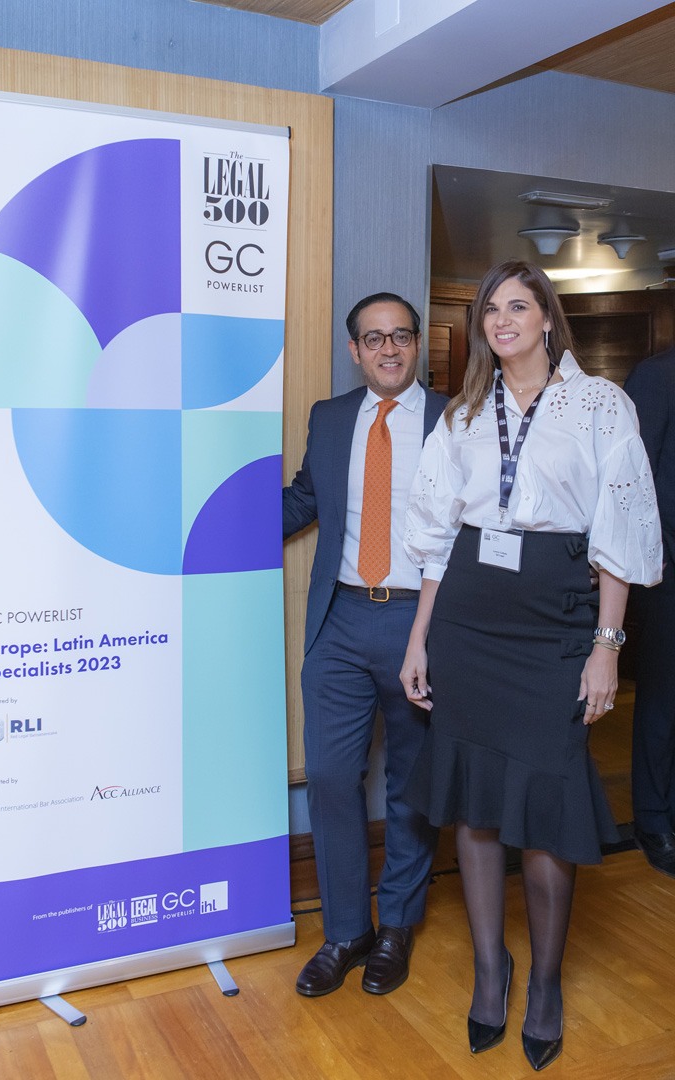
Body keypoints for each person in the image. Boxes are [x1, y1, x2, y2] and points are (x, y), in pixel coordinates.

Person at [399, 261, 661, 1071]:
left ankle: (545, 984)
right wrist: (419, 639)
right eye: (491, 309)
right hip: (468, 620)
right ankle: (492, 969)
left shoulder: (599, 404)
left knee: (547, 801)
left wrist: (607, 647)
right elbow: (436, 539)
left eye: (520, 306)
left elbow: (619, 534)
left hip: (555, 623)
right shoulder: (462, 412)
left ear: (548, 317)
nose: (503, 319)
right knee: (476, 805)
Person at [283, 292, 448, 997]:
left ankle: (397, 926)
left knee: (410, 783)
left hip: (421, 624)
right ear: (355, 350)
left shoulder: (454, 419)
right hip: (340, 620)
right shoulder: (329, 417)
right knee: (328, 777)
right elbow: (304, 498)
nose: (389, 349)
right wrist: (216, 520)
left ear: (417, 345)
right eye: (374, 338)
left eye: (400, 336)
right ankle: (346, 931)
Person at [624, 348, 675, 876]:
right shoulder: (656, 376)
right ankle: (653, 819)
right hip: (668, 576)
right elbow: (639, 486)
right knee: (663, 703)